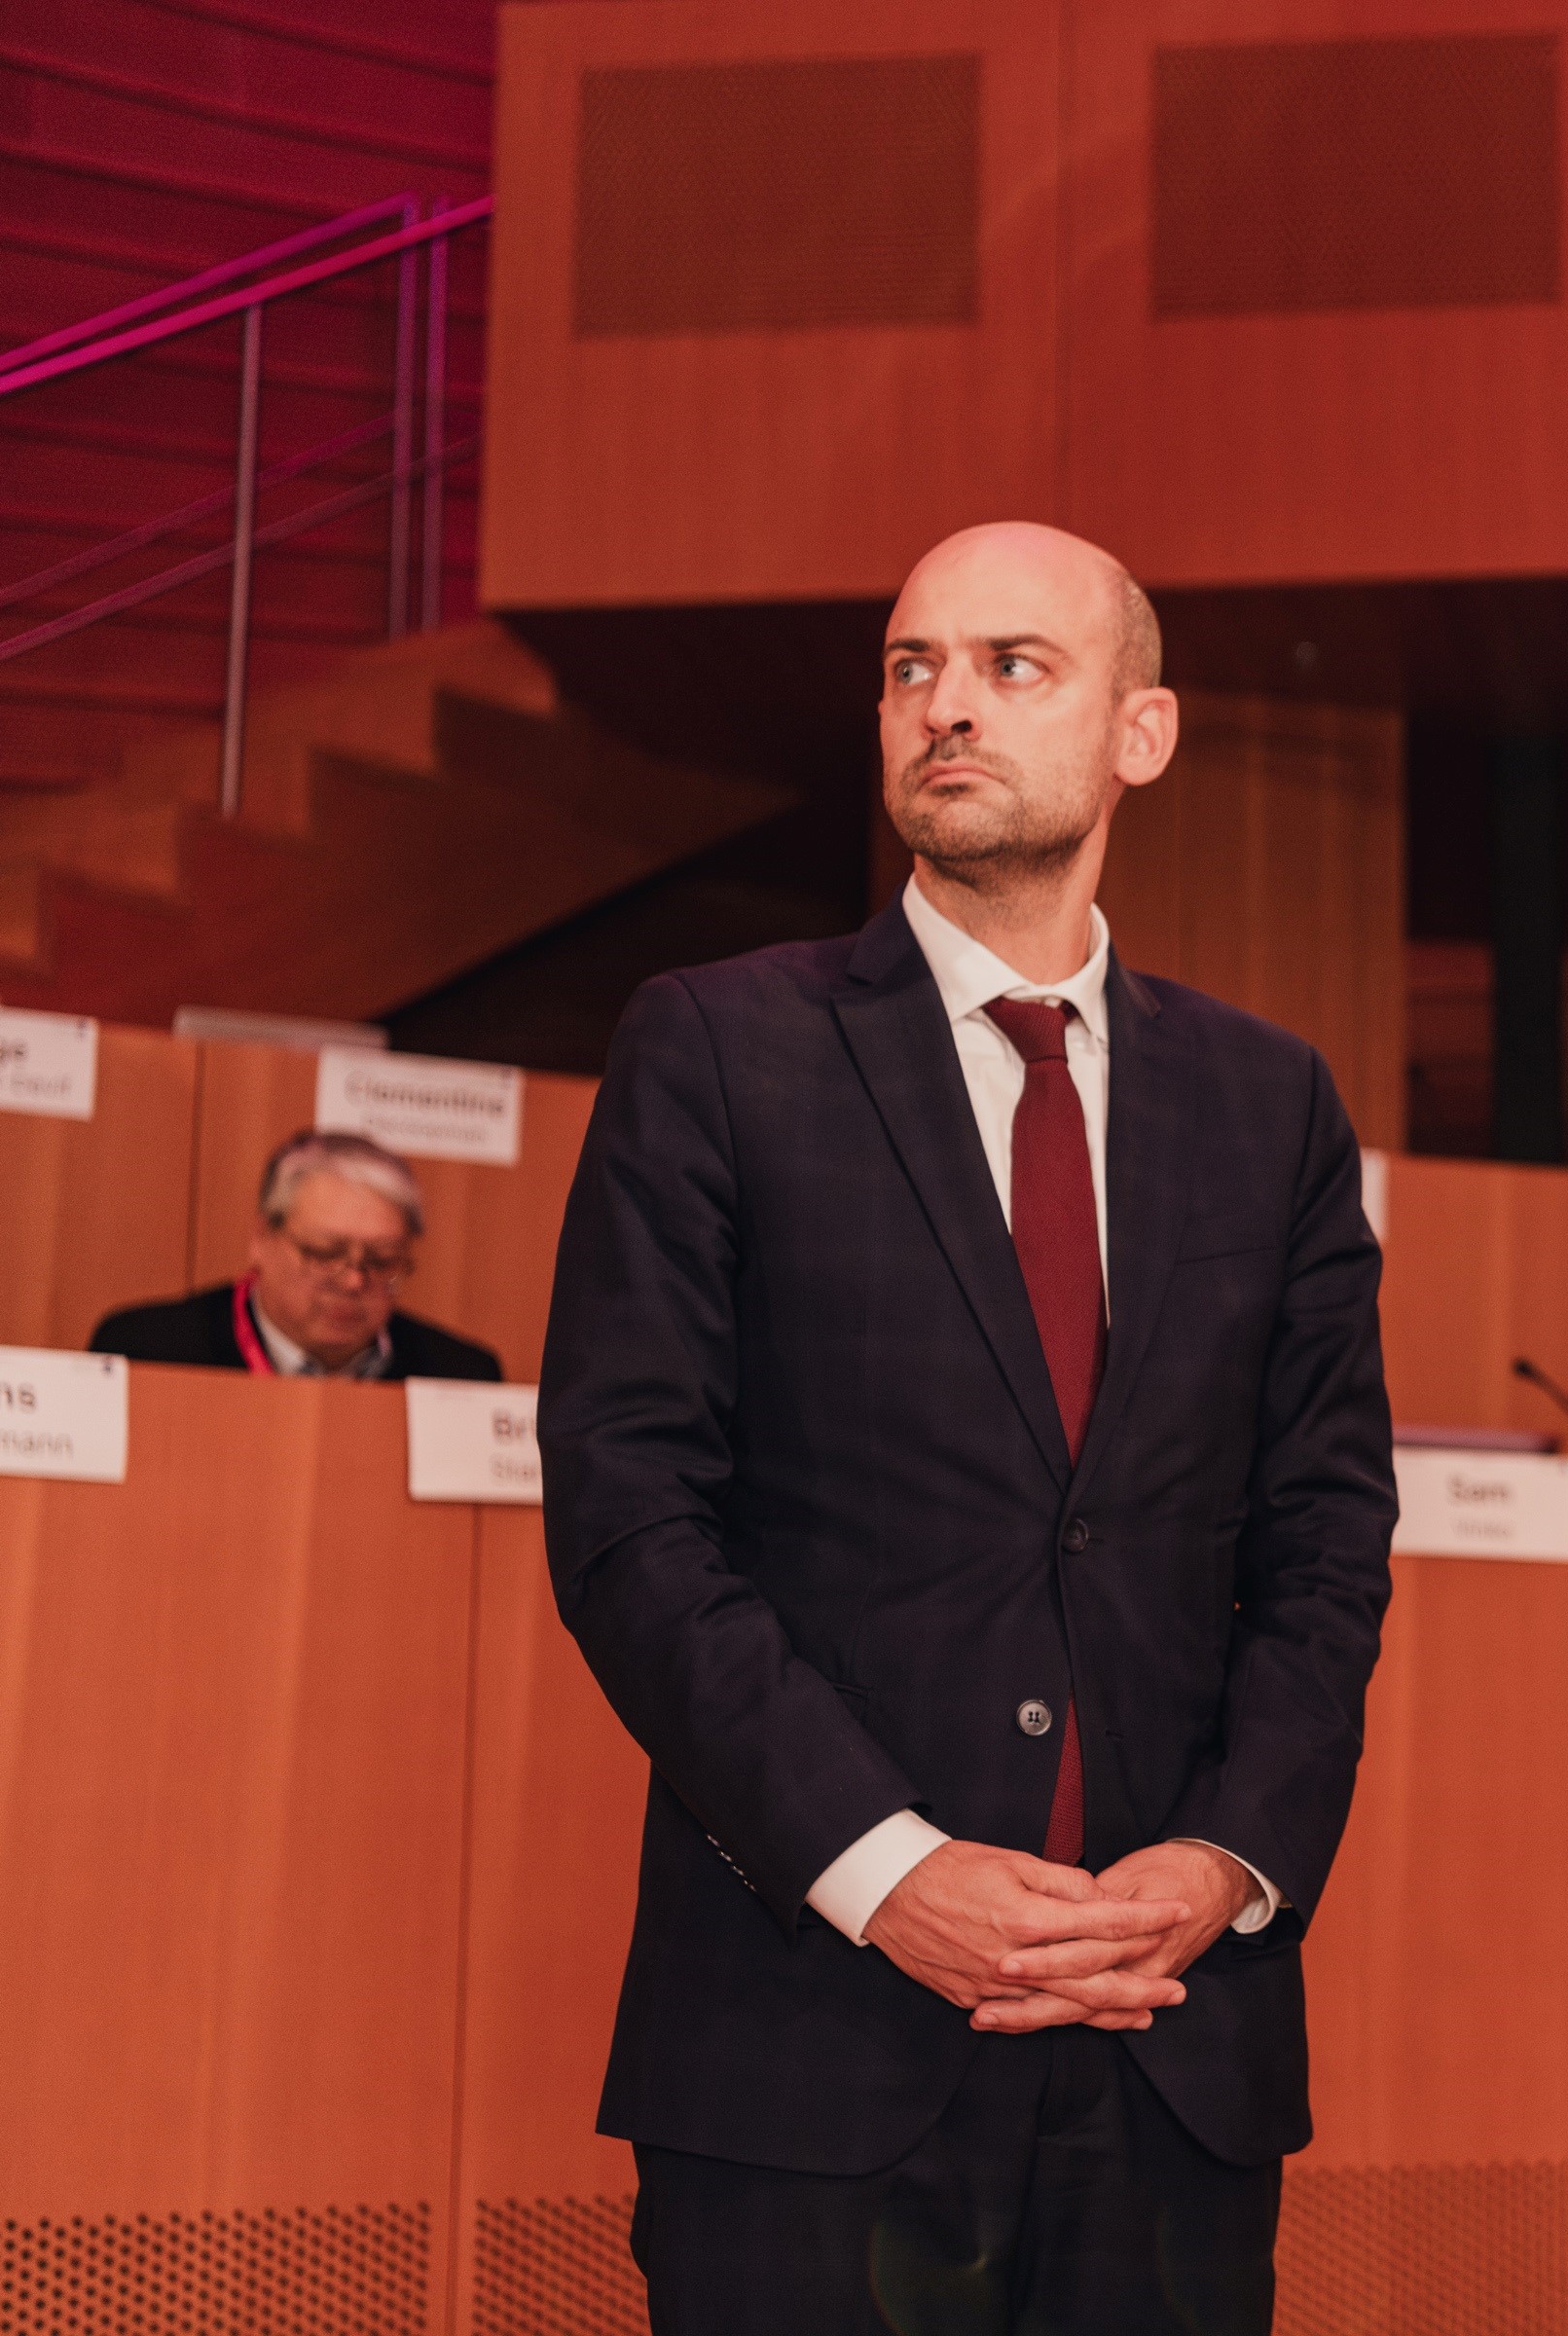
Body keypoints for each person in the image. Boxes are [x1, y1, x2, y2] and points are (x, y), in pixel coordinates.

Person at [540, 522, 1395, 2332]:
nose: (946, 705)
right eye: (910, 668)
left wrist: (1229, 1861)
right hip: (810, 2047)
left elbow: (1326, 1544)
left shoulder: (1274, 1104)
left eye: (1014, 666)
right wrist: (889, 1871)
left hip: (1171, 2046)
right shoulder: (714, 1047)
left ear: (1142, 731)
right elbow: (629, 1518)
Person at [90, 1128, 502, 1380]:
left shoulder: (459, 1377)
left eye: (382, 1260)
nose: (353, 1281)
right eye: (325, 1253)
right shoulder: (148, 1353)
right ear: (261, 1239)